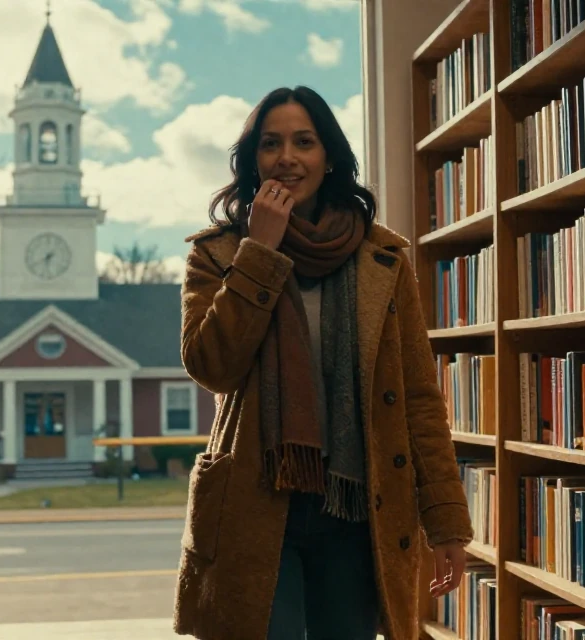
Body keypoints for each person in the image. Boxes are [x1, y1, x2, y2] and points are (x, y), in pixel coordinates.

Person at [173, 86, 473, 640]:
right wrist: (259, 252)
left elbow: (419, 399)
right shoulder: (217, 254)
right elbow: (211, 364)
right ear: (252, 160)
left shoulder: (382, 261)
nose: (287, 157)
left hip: (359, 511)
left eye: (304, 142)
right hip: (254, 506)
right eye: (271, 143)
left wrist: (446, 520)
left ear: (328, 156)